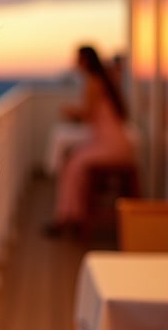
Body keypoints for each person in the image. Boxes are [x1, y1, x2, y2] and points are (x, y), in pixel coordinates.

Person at [43, 44, 138, 237]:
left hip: (111, 146)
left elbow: (87, 114)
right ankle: (72, 216)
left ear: (85, 61)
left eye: (78, 59)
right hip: (117, 144)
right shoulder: (104, 81)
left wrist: (70, 112)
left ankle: (67, 218)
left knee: (73, 166)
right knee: (74, 164)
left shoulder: (93, 82)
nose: (75, 63)